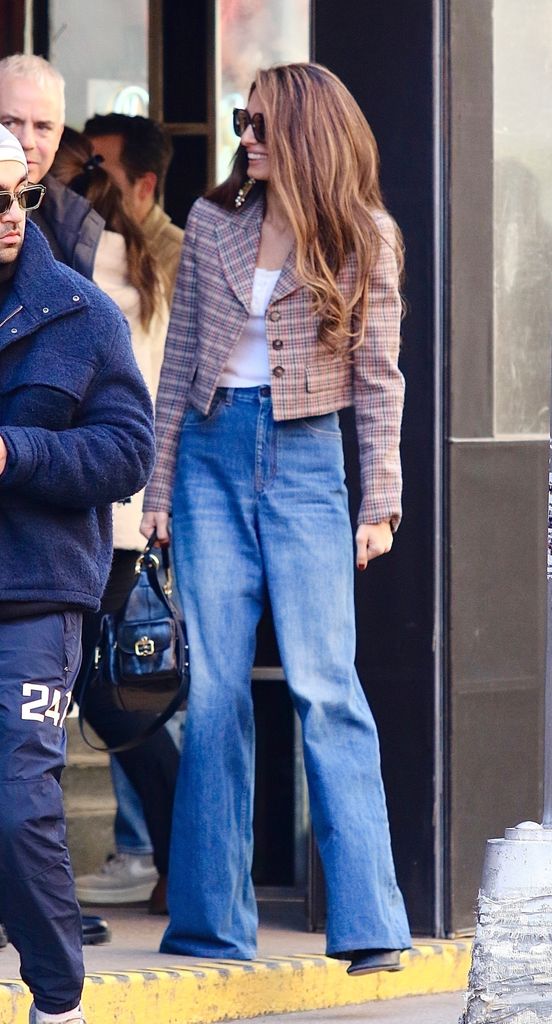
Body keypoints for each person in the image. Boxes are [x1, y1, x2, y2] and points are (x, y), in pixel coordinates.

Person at [141, 62, 411, 975]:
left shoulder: (365, 238)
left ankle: (371, 923)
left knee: (324, 687)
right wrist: (159, 493)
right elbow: (178, 369)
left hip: (305, 468)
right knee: (215, 692)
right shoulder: (215, 224)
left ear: (303, 134)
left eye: (257, 125)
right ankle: (212, 925)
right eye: (240, 121)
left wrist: (380, 503)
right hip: (211, 459)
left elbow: (378, 382)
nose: (243, 137)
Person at [0, 125, 154, 1023]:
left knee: (20, 806)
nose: (12, 217)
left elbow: (127, 452)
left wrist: (14, 454)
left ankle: (58, 1003)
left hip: (37, 593)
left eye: (20, 196)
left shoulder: (78, 311)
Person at [50, 127, 178, 916]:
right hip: (128, 517)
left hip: (87, 512)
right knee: (110, 696)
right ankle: (176, 858)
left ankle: (166, 854)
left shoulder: (84, 278)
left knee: (93, 696)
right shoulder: (145, 268)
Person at [0, 54, 103, 277]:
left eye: (43, 127)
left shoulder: (74, 219)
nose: (26, 141)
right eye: (9, 123)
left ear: (59, 135)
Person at [84, 112, 183, 303]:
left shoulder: (179, 257)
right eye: (84, 174)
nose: (87, 187)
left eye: (101, 178)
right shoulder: (79, 239)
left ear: (145, 186)